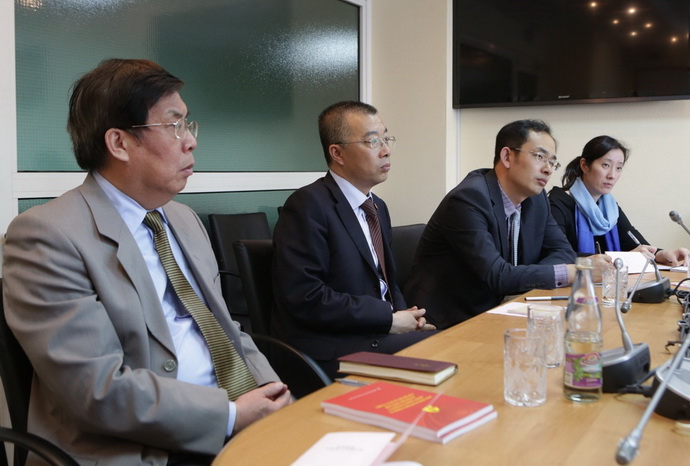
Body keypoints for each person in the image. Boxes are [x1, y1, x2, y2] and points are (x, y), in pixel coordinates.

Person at [2, 58, 291, 465]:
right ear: (119, 143)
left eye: (188, 124)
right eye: (173, 125)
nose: (190, 142)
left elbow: (226, 330)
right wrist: (230, 416)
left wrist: (273, 394)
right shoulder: (47, 234)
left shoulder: (182, 218)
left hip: (236, 416)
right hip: (143, 446)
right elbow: (97, 389)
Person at [272, 100, 436, 379]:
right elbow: (306, 296)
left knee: (448, 342)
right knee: (442, 350)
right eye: (373, 141)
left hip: (373, 333)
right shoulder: (308, 205)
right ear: (337, 153)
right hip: (332, 346)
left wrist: (406, 316)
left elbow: (386, 280)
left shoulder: (377, 206)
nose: (385, 150)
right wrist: (388, 319)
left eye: (386, 139)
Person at [405, 119, 581, 329]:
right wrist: (569, 273)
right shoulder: (469, 198)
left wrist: (518, 277)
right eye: (539, 157)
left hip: (502, 310)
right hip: (447, 320)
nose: (548, 169)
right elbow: (497, 275)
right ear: (507, 157)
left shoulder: (537, 199)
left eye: (552, 162)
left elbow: (563, 251)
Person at [549, 135, 688, 266]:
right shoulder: (558, 203)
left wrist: (662, 254)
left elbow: (637, 245)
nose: (612, 175)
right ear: (584, 165)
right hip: (574, 282)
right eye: (605, 165)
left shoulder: (609, 208)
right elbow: (559, 255)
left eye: (619, 168)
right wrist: (622, 258)